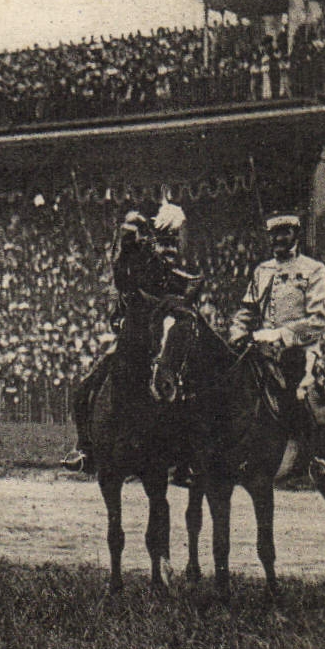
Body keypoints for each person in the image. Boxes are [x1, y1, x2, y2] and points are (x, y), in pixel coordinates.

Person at [63, 200, 197, 472]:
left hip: (165, 342)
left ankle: (189, 457)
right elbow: (120, 293)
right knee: (83, 390)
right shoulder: (129, 267)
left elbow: (184, 291)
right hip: (131, 341)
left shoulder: (167, 269)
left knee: (189, 391)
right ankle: (85, 447)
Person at [230, 210, 325, 474]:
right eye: (274, 233)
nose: (278, 239)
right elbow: (246, 310)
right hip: (263, 348)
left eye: (284, 232)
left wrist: (281, 335)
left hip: (300, 347)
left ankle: (311, 456)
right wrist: (237, 332)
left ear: (295, 235)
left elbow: (319, 321)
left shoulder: (313, 270)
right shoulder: (262, 271)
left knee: (296, 390)